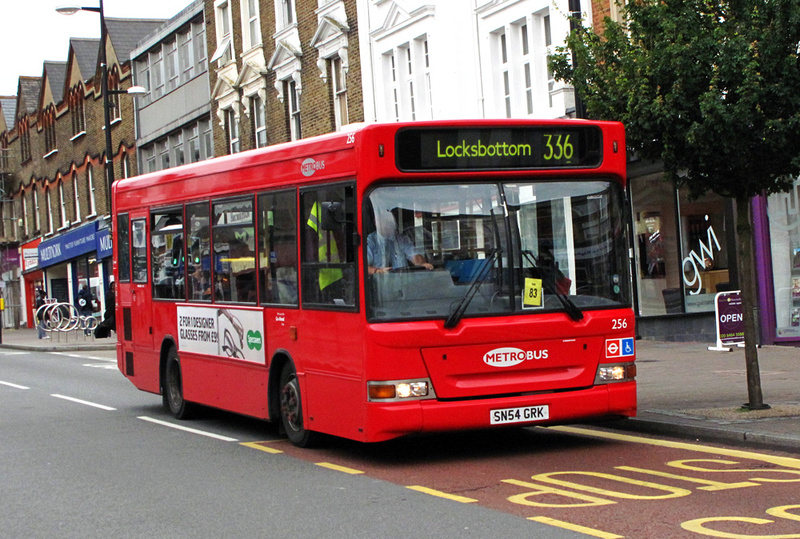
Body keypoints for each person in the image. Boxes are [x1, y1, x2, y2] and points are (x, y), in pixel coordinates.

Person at [367, 210, 433, 275]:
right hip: (378, 282)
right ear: (376, 223)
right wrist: (377, 271)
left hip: (402, 281)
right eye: (385, 221)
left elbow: (413, 255)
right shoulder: (370, 241)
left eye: (390, 222)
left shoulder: (401, 239)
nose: (388, 224)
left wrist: (420, 262)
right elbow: (362, 267)